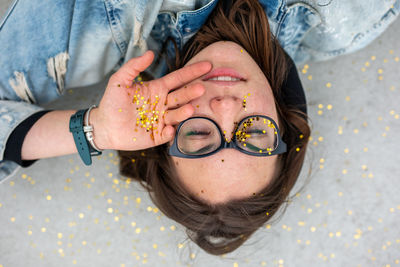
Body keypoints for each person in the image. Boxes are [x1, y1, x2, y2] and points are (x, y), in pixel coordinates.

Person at [0, 0, 398, 256]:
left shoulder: (102, 22)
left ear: (158, 133)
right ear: (283, 120)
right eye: (255, 134)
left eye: (197, 135)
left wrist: (93, 130)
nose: (225, 107)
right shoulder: (353, 16)